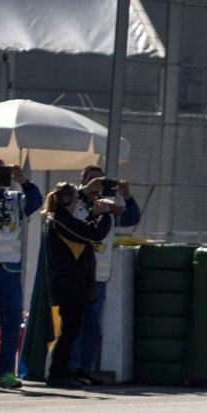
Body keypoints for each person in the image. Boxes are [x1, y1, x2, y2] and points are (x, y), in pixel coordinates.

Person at [69, 164, 141, 384]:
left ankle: (84, 368)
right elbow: (60, 213)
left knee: (92, 324)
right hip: (74, 273)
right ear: (83, 181)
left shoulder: (108, 208)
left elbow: (131, 218)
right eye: (93, 181)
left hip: (98, 275)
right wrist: (83, 193)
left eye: (101, 182)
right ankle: (68, 368)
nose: (97, 186)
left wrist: (127, 197)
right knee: (73, 325)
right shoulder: (74, 204)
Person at [42, 182, 113, 388]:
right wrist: (105, 214)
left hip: (76, 285)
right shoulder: (59, 220)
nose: (75, 203)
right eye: (73, 199)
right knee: (69, 330)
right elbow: (92, 234)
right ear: (65, 201)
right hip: (68, 285)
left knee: (72, 329)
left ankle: (63, 371)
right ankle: (57, 373)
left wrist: (97, 215)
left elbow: (83, 231)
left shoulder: (65, 221)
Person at [0, 157, 42, 389]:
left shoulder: (16, 198)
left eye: (1, 172)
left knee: (12, 321)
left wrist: (23, 181)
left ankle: (5, 371)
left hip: (9, 269)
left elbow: (36, 201)